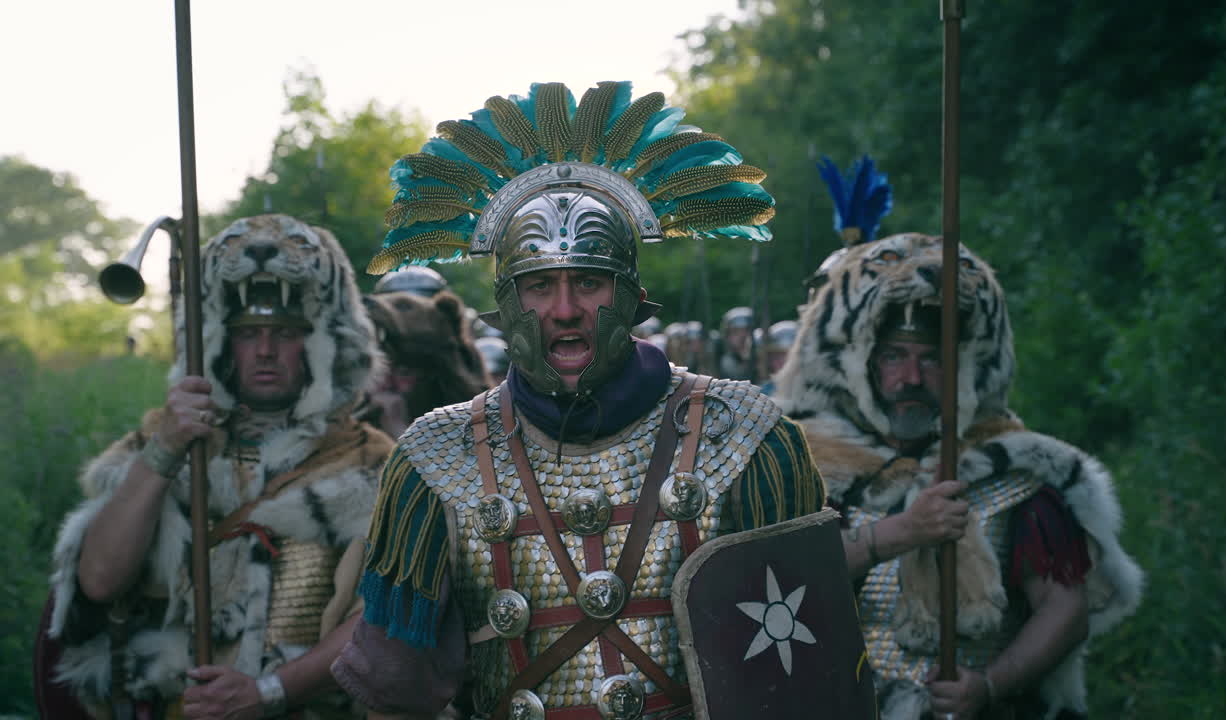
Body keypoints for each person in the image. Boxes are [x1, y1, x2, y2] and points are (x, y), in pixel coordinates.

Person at [330, 81, 840, 720]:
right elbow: (395, 692)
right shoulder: (436, 458)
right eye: (540, 286)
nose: (566, 310)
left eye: (590, 282)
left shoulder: (745, 436)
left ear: (631, 296)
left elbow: (807, 676)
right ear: (507, 304)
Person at [772, 231, 1144, 719]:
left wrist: (989, 685)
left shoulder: (1015, 472)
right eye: (893, 356)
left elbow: (1065, 610)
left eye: (931, 359)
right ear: (865, 363)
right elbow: (780, 579)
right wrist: (900, 532)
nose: (911, 378)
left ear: (960, 366)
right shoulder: (809, 468)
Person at [44, 214, 395, 719]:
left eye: (285, 332)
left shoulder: (372, 461)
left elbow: (384, 615)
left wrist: (268, 692)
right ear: (223, 343)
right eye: (249, 333)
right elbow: (99, 581)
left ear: (322, 341)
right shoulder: (162, 444)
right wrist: (166, 448)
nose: (266, 351)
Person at [362, 285, 491, 438]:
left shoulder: (479, 418)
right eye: (383, 372)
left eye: (405, 373)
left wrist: (396, 427)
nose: (388, 385)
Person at [717, 306, 755, 381]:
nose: (742, 336)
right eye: (736, 332)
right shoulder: (726, 363)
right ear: (728, 335)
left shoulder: (765, 360)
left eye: (747, 330)